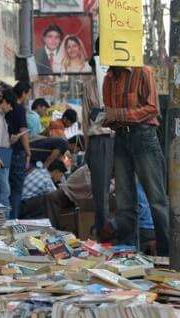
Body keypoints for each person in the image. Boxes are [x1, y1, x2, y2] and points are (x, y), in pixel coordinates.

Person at [102, 65, 170, 255]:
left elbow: (153, 107)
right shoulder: (108, 79)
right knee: (124, 200)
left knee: (156, 198)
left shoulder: (143, 72)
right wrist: (109, 117)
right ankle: (128, 252)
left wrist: (122, 114)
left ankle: (166, 254)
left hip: (144, 135)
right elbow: (109, 113)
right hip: (121, 136)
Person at [82, 56, 115, 237]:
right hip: (100, 139)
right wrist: (88, 148)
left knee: (129, 192)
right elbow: (86, 119)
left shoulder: (121, 80)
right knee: (101, 194)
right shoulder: (90, 85)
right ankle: (104, 236)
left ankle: (127, 235)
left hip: (122, 136)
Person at [21, 165, 92, 229]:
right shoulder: (47, 180)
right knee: (52, 228)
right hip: (32, 204)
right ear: (56, 171)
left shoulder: (40, 171)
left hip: (24, 202)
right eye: (61, 175)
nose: (60, 179)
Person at [7, 81, 32, 219]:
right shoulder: (19, 108)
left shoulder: (6, 107)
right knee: (16, 190)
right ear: (23, 93)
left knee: (5, 189)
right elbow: (23, 131)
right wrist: (28, 152)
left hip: (5, 152)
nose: (27, 97)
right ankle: (13, 220)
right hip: (17, 153)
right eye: (27, 94)